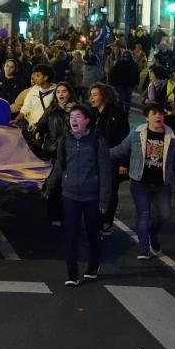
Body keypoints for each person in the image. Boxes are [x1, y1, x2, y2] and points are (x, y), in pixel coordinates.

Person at [44, 104, 112, 286]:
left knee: (92, 235)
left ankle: (92, 267)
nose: (73, 120)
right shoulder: (65, 140)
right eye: (71, 117)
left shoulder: (98, 140)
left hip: (92, 196)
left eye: (78, 116)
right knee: (71, 235)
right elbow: (59, 167)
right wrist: (49, 188)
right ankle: (71, 274)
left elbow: (105, 171)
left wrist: (105, 198)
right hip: (70, 195)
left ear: (87, 120)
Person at [111, 103, 175, 260]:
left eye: (161, 114)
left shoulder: (172, 137)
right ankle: (144, 249)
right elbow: (120, 150)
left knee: (164, 215)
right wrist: (98, 153)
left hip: (162, 184)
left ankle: (152, 233)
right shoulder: (136, 135)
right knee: (143, 214)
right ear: (146, 117)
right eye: (154, 113)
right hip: (140, 183)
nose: (159, 116)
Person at [88, 83, 130, 236]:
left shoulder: (117, 114)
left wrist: (123, 162)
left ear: (104, 96)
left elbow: (123, 139)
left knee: (111, 191)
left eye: (95, 94)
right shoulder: (91, 114)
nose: (91, 98)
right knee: (97, 190)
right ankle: (98, 220)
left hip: (113, 159)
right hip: (95, 159)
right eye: (91, 95)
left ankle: (107, 221)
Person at [34, 81, 76, 224]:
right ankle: (54, 215)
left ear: (70, 93)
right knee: (55, 183)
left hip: (71, 152)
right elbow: (42, 123)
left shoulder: (77, 110)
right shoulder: (51, 110)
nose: (60, 94)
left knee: (68, 185)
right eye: (58, 92)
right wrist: (39, 130)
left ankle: (67, 214)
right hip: (53, 151)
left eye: (64, 91)